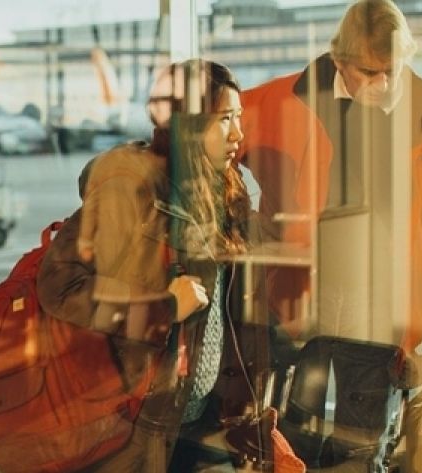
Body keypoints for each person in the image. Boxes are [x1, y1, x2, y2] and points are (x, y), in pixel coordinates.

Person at [237, 0, 422, 369]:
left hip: (384, 309)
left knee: (365, 428)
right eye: (368, 71)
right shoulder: (283, 101)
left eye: (391, 71)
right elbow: (207, 132)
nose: (382, 83)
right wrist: (229, 206)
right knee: (290, 425)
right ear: (339, 61)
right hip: (293, 303)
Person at [38, 59, 252, 472]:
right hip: (139, 423)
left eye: (238, 118)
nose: (238, 134)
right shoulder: (131, 189)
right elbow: (59, 286)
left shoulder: (225, 189)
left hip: (203, 420)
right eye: (225, 119)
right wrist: (162, 307)